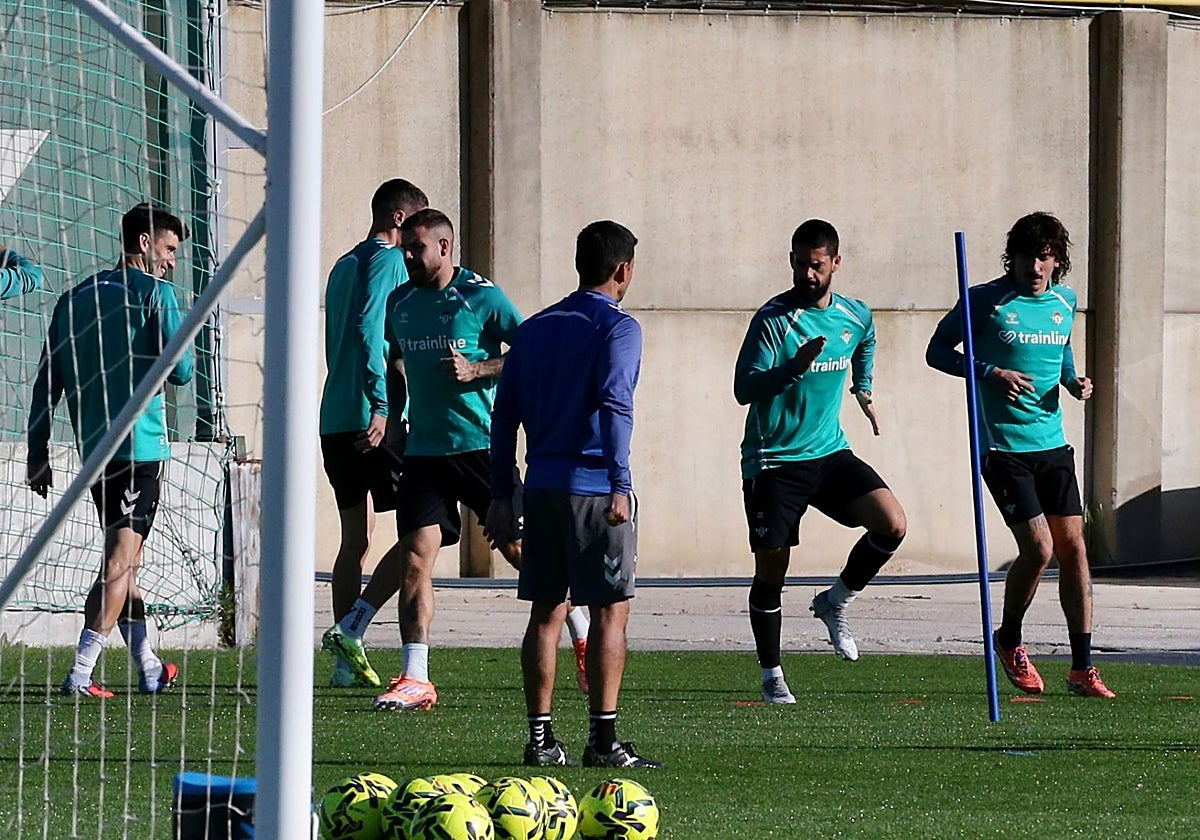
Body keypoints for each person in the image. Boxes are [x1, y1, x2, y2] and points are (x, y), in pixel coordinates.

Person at [373, 209, 590, 712]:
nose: (407, 256)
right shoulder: (400, 302)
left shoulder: (481, 296)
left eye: (417, 248)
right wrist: (393, 416)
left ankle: (578, 630)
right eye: (405, 247)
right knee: (414, 559)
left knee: (517, 552)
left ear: (445, 248)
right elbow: (397, 364)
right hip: (424, 452)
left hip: (479, 447)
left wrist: (478, 370)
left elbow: (529, 353)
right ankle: (416, 676)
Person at [488, 219, 662, 769]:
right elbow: (615, 404)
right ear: (623, 270)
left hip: (540, 488)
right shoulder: (618, 328)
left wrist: (501, 490)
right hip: (593, 491)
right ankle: (603, 741)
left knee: (546, 611)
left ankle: (540, 741)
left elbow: (503, 416)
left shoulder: (535, 329)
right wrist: (621, 484)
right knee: (611, 611)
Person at [926, 211, 1114, 699]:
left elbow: (1062, 351)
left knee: (1074, 548)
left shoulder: (1064, 302)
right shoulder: (984, 301)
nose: (1036, 266)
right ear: (1014, 257)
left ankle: (1081, 668)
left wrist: (1074, 382)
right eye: (1029, 256)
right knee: (1040, 549)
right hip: (1003, 448)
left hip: (1052, 445)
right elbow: (937, 351)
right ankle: (1009, 640)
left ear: (1057, 260)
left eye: (1046, 257)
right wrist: (990, 371)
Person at [735, 219, 907, 704]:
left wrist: (864, 388)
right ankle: (771, 674)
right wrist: (791, 369)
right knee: (772, 571)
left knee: (891, 524)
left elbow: (866, 340)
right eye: (798, 264)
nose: (806, 274)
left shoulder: (854, 315)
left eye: (815, 265)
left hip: (829, 453)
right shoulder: (774, 321)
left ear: (835, 263)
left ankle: (835, 601)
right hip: (774, 462)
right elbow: (743, 389)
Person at [27, 202, 194, 698]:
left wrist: (38, 453)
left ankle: (147, 665)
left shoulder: (72, 298)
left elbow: (46, 383)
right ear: (143, 243)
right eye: (167, 250)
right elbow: (182, 372)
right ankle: (80, 672)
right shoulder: (155, 294)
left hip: (93, 454)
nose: (170, 262)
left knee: (126, 563)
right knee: (120, 563)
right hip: (139, 451)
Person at [318, 178, 428, 689]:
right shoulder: (387, 262)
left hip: (335, 417)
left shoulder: (342, 265)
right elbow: (367, 333)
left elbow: (336, 340)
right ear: (401, 221)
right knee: (419, 535)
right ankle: (355, 628)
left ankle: (345, 662)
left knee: (354, 540)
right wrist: (382, 405)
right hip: (370, 420)